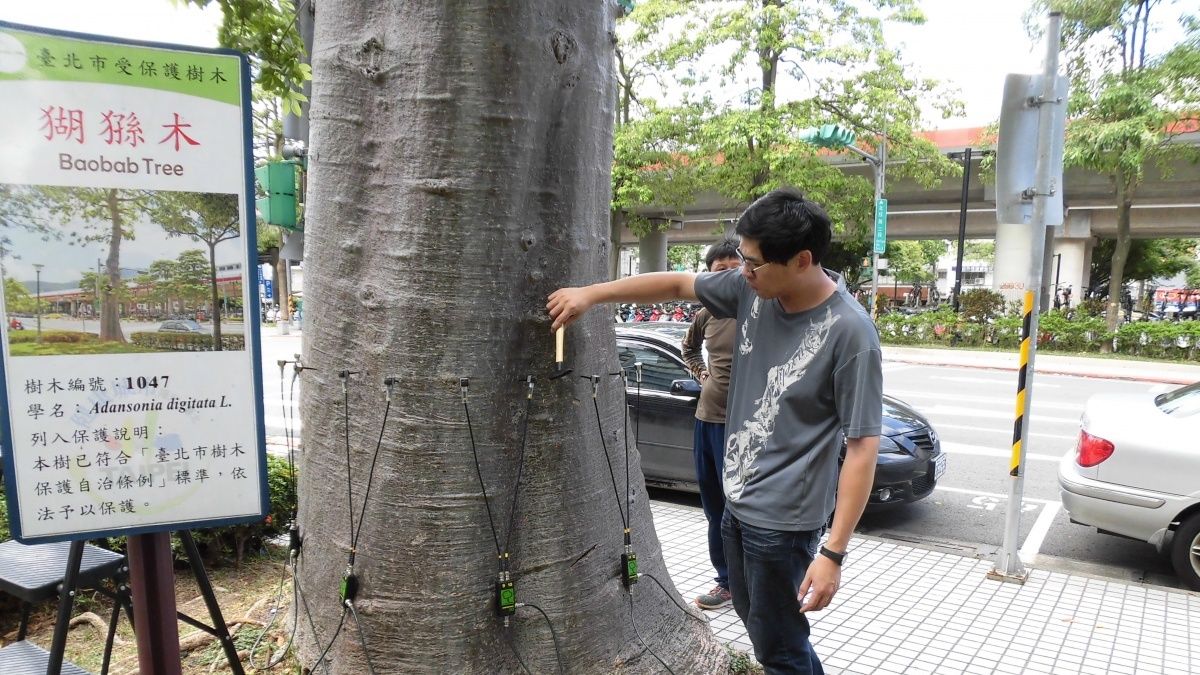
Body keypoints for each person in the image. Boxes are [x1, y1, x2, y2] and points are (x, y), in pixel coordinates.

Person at [548, 188, 881, 673]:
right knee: (757, 622)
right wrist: (593, 295)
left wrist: (833, 554)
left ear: (803, 260)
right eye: (742, 260)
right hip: (738, 504)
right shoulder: (752, 290)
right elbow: (679, 285)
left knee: (780, 646)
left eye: (754, 263)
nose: (742, 272)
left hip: (784, 522)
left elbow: (862, 447)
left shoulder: (850, 333)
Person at [680, 238, 741, 610]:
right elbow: (687, 348)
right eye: (721, 272)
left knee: (744, 508)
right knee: (714, 506)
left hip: (746, 425)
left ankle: (751, 581)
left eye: (736, 270)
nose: (729, 278)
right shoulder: (707, 313)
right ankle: (726, 581)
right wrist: (702, 374)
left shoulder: (761, 309)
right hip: (708, 418)